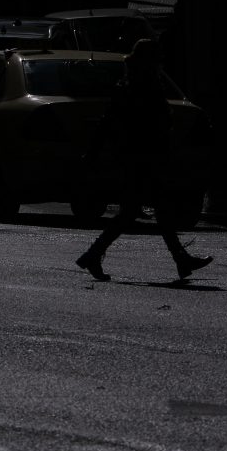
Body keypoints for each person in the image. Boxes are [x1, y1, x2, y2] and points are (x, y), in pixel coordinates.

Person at [76, 38, 213, 282]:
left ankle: (95, 254)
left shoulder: (135, 83)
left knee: (145, 210)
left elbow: (111, 122)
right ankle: (95, 254)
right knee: (142, 210)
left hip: (140, 156)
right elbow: (127, 122)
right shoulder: (139, 86)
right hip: (141, 157)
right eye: (157, 57)